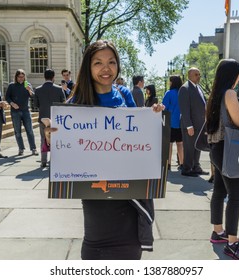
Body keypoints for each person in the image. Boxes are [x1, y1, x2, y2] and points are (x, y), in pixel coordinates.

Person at [64, 40, 164, 260]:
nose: (105, 68)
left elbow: (139, 133)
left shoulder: (124, 93)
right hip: (95, 194)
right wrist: (51, 134)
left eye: (111, 62)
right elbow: (65, 147)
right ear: (88, 67)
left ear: (118, 65)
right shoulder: (76, 101)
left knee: (129, 256)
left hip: (128, 194)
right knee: (94, 251)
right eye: (98, 63)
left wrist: (153, 117)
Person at [205, 59, 239, 260]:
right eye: (238, 73)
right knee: (237, 197)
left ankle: (218, 231)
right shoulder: (229, 93)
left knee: (219, 190)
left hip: (216, 148)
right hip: (228, 149)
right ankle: (233, 244)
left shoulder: (215, 94)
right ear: (233, 75)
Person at [178, 67, 208, 177]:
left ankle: (196, 167)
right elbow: (184, 109)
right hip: (190, 125)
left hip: (200, 124)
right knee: (189, 147)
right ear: (189, 75)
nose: (198, 76)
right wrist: (188, 126)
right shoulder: (184, 88)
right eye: (196, 74)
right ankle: (187, 169)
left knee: (197, 146)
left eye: (199, 74)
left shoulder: (198, 87)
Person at [33, 69, 66, 168]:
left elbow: (35, 105)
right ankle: (54, 160)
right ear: (53, 77)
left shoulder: (38, 89)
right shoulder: (59, 89)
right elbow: (63, 103)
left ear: (44, 77)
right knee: (55, 139)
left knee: (43, 139)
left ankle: (43, 161)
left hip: (43, 118)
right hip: (56, 118)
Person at [5, 69, 38, 156]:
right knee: (17, 131)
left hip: (26, 111)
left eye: (23, 77)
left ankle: (33, 148)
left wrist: (29, 90)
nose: (21, 79)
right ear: (16, 77)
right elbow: (7, 97)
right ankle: (21, 148)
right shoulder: (12, 86)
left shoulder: (27, 85)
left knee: (30, 130)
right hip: (15, 111)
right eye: (20, 77)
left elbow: (33, 96)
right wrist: (12, 103)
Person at [162, 75, 184, 171]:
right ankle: (182, 163)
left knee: (169, 144)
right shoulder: (182, 92)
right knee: (180, 144)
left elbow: (164, 107)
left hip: (170, 122)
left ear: (172, 82)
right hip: (181, 122)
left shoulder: (169, 93)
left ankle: (168, 164)